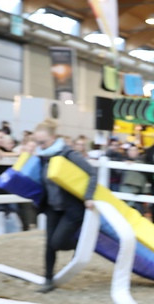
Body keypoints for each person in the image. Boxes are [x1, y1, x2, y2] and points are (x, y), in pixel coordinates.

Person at [32, 119, 96, 292]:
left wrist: (88, 197)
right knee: (49, 244)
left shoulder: (69, 154)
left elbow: (92, 172)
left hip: (71, 208)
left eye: (43, 142)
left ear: (53, 138)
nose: (40, 145)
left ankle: (80, 243)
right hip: (53, 206)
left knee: (57, 242)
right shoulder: (42, 157)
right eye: (37, 142)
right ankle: (48, 279)